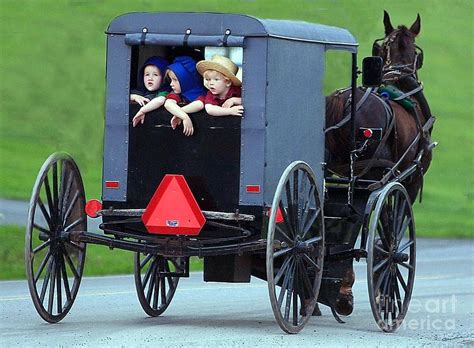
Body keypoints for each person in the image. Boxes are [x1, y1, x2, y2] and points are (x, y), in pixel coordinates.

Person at [164, 56, 205, 136]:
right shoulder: (177, 94)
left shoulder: (200, 93)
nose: (171, 84)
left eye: (175, 80)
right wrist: (184, 117)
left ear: (186, 80)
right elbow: (168, 103)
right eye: (171, 80)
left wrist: (177, 113)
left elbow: (199, 105)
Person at [130, 56, 170, 127]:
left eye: (155, 75)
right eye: (147, 74)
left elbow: (160, 100)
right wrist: (134, 97)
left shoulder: (164, 92)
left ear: (164, 78)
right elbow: (121, 96)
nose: (150, 78)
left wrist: (142, 110)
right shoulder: (139, 92)